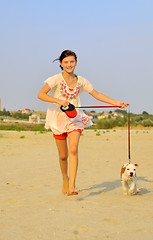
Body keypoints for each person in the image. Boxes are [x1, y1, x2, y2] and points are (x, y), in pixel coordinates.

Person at [37, 50, 129, 196]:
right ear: (61, 64)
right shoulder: (55, 79)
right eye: (66, 62)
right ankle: (65, 180)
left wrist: (116, 103)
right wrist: (58, 100)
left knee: (73, 149)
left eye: (72, 61)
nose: (69, 64)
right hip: (58, 119)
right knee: (62, 155)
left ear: (76, 62)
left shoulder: (81, 81)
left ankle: (72, 185)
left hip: (75, 119)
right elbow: (41, 94)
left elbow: (96, 94)